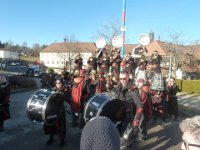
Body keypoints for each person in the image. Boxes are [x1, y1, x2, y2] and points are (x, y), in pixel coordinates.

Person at [113, 70, 143, 149]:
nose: (122, 80)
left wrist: (136, 119)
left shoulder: (133, 89)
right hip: (118, 115)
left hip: (128, 117)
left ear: (128, 78)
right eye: (121, 78)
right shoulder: (119, 85)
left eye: (124, 78)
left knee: (126, 142)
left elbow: (140, 105)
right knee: (117, 138)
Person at [43, 78, 67, 147]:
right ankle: (51, 138)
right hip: (53, 110)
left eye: (59, 83)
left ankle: (62, 140)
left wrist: (60, 93)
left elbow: (66, 98)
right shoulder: (52, 89)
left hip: (60, 111)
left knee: (62, 126)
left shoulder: (65, 90)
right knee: (51, 125)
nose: (58, 85)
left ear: (62, 83)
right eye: (57, 83)